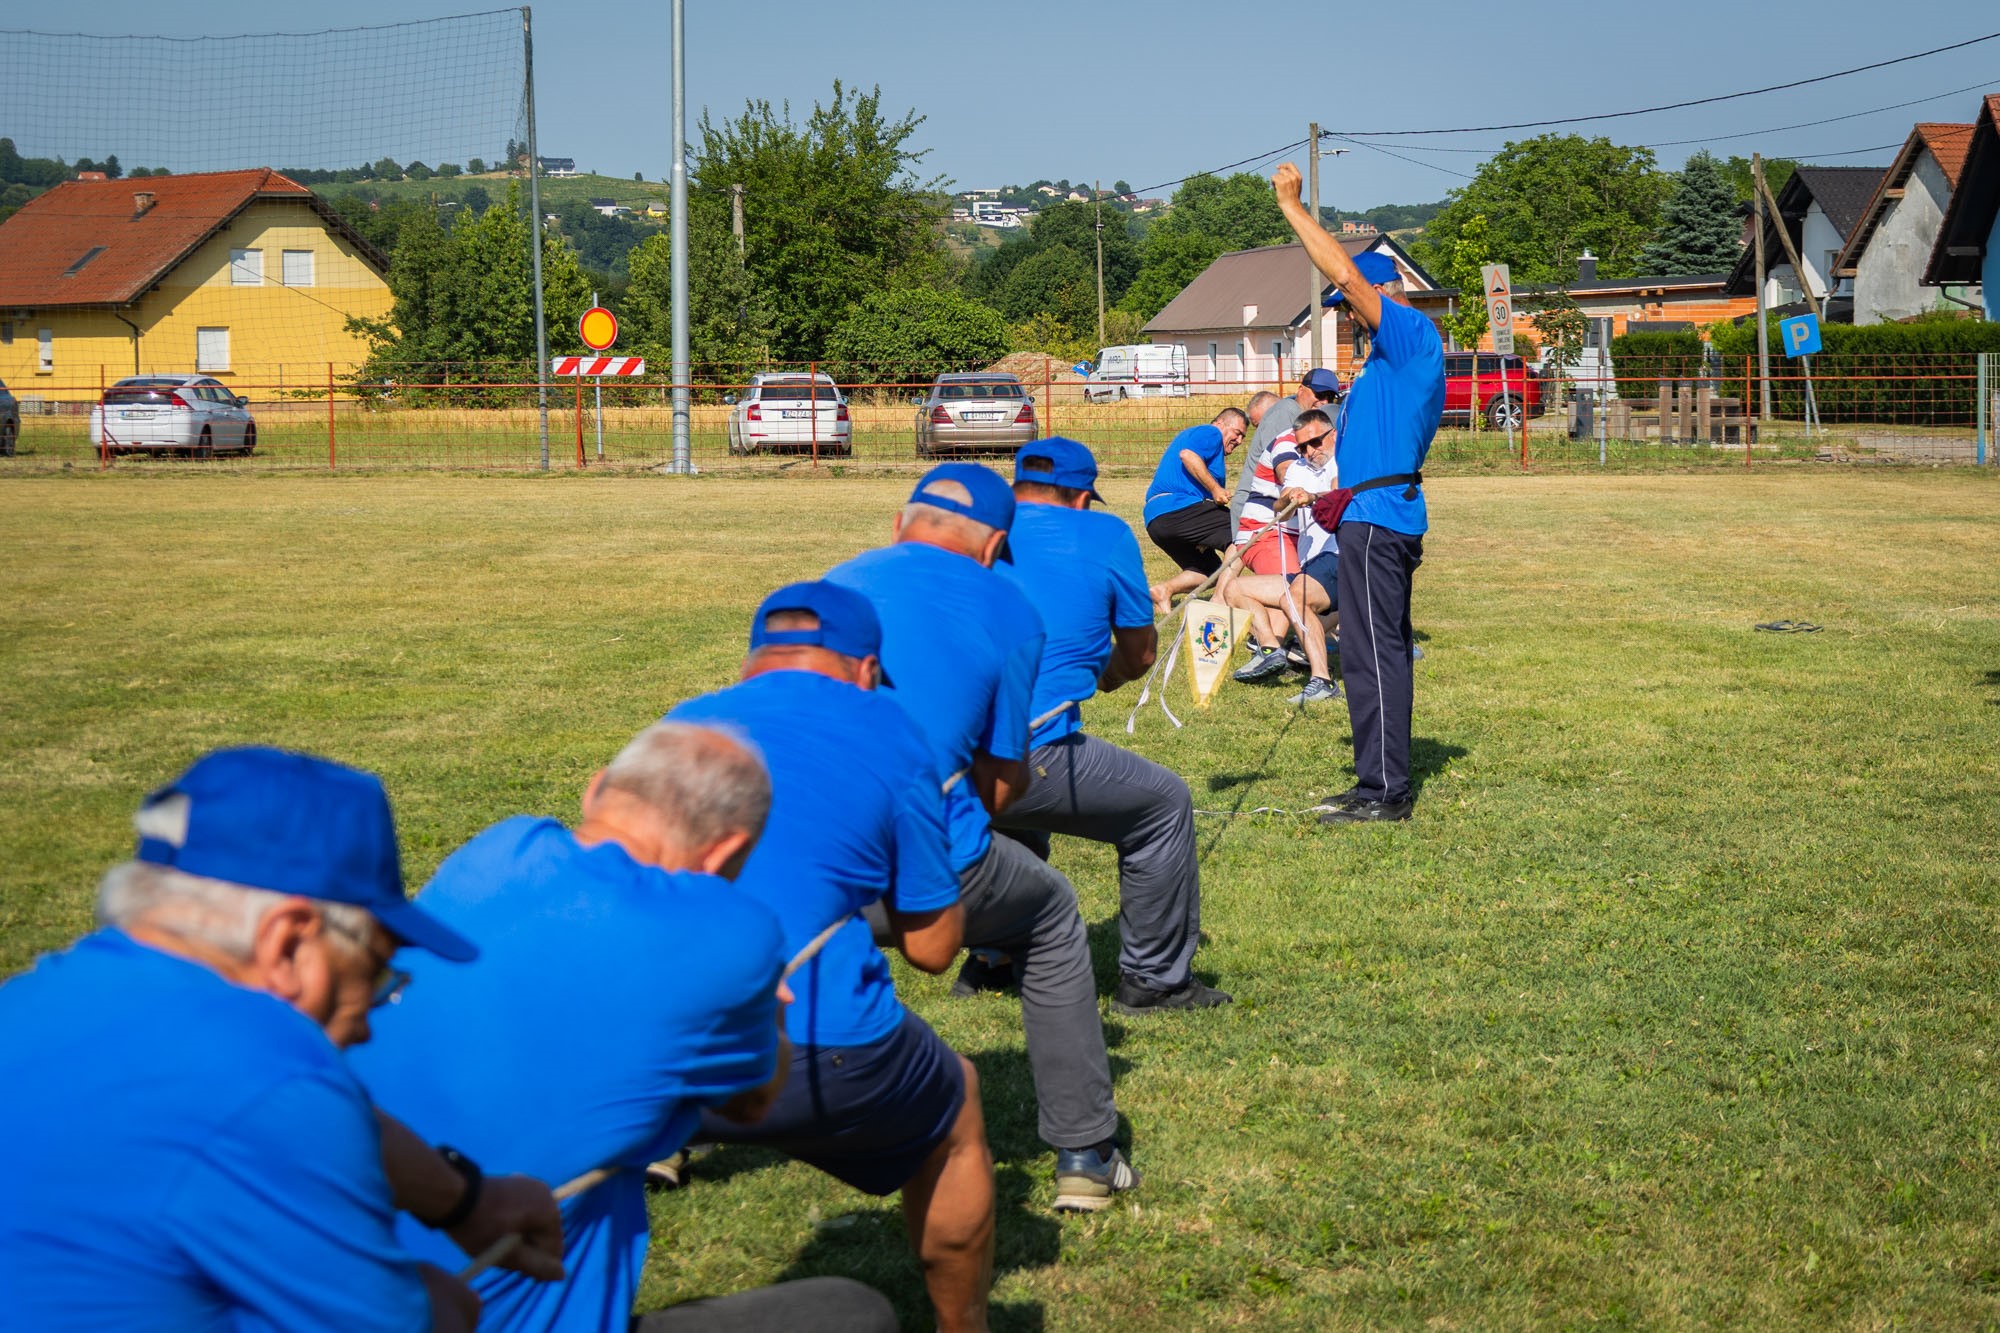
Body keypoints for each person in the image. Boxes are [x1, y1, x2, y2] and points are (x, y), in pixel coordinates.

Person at [349, 723, 897, 1332]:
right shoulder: (729, 935)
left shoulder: (500, 847)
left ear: (594, 792)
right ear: (724, 852)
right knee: (852, 1314)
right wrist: (766, 1011)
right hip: (480, 1314)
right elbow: (752, 1098)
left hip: (325, 1286)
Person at [0, 747, 566, 1332]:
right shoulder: (268, 1084)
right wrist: (436, 1310)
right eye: (376, 970)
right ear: (289, 943)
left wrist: (463, 1200)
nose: (368, 1022)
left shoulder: (36, 1000)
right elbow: (270, 1104)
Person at [665, 581, 995, 1333]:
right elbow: (936, 949)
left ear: (753, 662)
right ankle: (963, 1326)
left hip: (654, 1038)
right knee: (958, 1100)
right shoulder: (889, 727)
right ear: (867, 668)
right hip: (821, 1044)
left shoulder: (678, 723)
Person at [825, 463, 1138, 1213]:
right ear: (997, 543)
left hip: (790, 851)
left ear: (900, 523)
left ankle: (661, 1131)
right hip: (919, 862)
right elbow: (999, 789)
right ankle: (1085, 1153)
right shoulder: (1011, 607)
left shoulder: (832, 583)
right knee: (1053, 913)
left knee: (750, 927)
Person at [993, 439, 1227, 1016]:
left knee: (1013, 814)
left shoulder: (967, 533)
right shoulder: (1103, 534)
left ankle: (995, 957)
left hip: (934, 758)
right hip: (1024, 751)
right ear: (1080, 497)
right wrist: (1109, 676)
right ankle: (1154, 980)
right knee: (1164, 804)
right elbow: (1140, 654)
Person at [1274, 162, 1445, 824]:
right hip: (1367, 513)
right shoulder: (1385, 361)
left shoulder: (1409, 334)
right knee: (1374, 652)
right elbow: (1372, 452)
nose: (1350, 316)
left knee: (1372, 655)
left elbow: (1344, 273)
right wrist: (1323, 496)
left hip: (1378, 523)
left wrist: (1293, 209)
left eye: (1355, 307)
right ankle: (1376, 779)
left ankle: (1386, 792)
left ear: (1383, 293)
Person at [1225, 410, 1343, 705]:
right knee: (1234, 588)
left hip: (1339, 555)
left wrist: (1312, 497)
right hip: (1311, 565)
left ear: (1331, 435)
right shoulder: (1299, 468)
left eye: (1314, 443)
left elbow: (1338, 493)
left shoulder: (1343, 458)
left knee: (1296, 599)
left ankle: (1322, 680)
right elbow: (1281, 505)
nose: (1308, 452)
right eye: (1301, 447)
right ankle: (1269, 647)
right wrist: (1289, 499)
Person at [1142, 407, 1250, 614]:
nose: (1240, 441)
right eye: (1237, 433)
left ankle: (1164, 591)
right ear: (1220, 423)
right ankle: (1222, 600)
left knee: (1210, 571)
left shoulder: (1203, 441)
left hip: (1156, 520)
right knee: (1242, 532)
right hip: (1179, 508)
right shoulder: (1210, 432)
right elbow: (1188, 455)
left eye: (1243, 437)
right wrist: (1216, 488)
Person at [1227, 368, 1344, 535]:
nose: (1324, 402)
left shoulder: (1302, 418)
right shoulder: (1286, 413)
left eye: (1329, 397)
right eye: (1319, 394)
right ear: (1301, 389)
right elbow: (1284, 467)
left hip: (1278, 509)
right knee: (1245, 552)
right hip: (1258, 508)